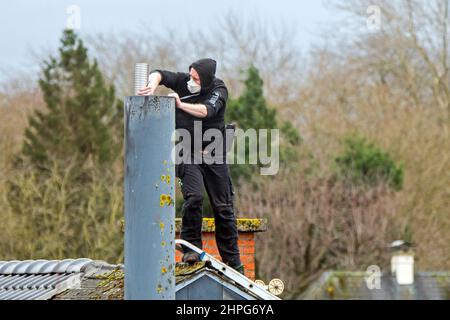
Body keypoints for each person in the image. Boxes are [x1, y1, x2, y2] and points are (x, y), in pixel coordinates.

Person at [138, 58, 244, 274]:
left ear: (205, 80)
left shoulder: (218, 89)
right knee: (194, 197)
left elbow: (207, 111)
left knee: (223, 208)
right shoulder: (182, 81)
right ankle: (191, 247)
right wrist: (152, 83)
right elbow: (161, 73)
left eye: (195, 78)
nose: (191, 81)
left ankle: (233, 261)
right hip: (188, 151)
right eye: (190, 75)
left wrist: (180, 104)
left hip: (214, 152)